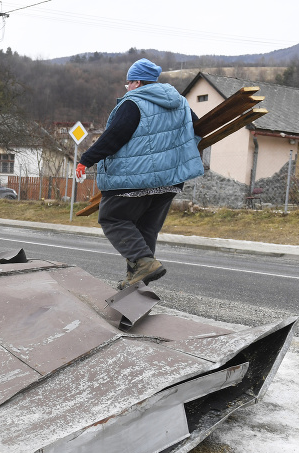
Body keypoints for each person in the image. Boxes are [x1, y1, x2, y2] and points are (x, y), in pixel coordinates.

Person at [76, 58, 204, 290]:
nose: (127, 88)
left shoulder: (133, 103)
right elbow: (196, 129)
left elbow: (115, 136)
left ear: (136, 82)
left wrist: (86, 160)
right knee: (146, 229)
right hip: (169, 182)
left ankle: (144, 265)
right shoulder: (180, 103)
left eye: (128, 83)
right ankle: (136, 283)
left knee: (112, 218)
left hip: (134, 179)